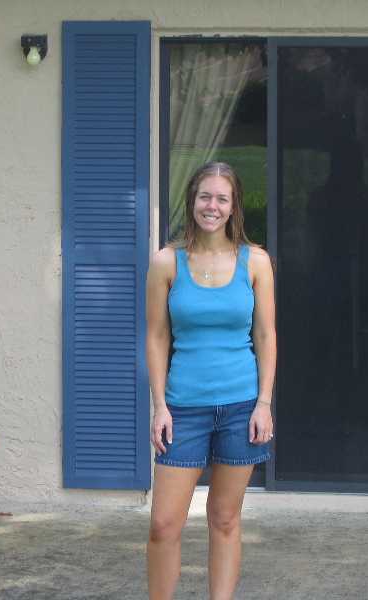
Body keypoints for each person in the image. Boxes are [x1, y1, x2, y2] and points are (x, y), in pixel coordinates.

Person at [146, 161, 276, 600]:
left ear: (234, 205)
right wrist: (160, 406)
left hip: (241, 408)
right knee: (164, 524)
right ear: (192, 201)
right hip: (183, 408)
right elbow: (157, 336)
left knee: (224, 519)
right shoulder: (167, 262)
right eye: (205, 196)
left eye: (222, 198)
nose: (212, 206)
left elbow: (266, 334)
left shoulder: (256, 262)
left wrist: (264, 403)